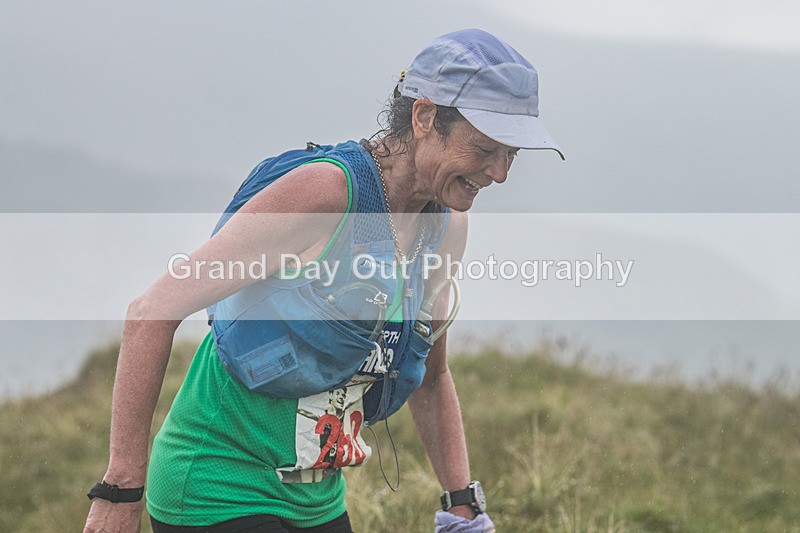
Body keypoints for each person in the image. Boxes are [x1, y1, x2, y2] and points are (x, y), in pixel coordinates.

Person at [83, 28, 563, 533]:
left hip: (320, 500)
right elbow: (151, 311)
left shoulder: (445, 227)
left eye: (511, 153)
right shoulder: (325, 195)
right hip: (215, 486)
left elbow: (432, 375)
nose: (500, 173)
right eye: (485, 147)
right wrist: (120, 493)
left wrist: (462, 503)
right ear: (424, 117)